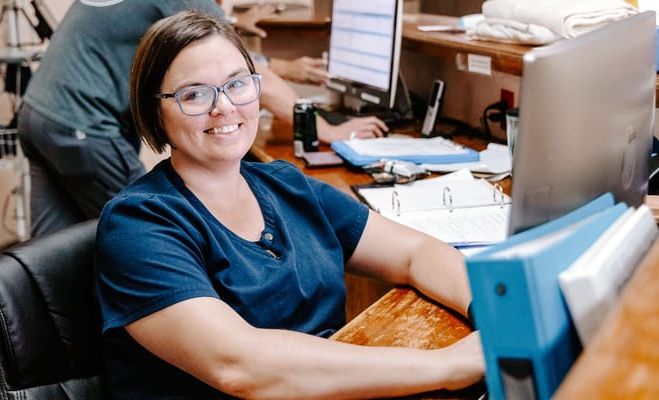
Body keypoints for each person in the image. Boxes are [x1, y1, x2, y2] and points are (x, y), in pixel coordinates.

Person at [94, 10, 484, 399]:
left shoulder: (284, 184)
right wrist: (447, 365)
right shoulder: (138, 224)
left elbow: (415, 252)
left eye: (237, 84)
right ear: (155, 112)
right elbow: (240, 367)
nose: (225, 107)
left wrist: (492, 313)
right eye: (194, 94)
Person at [18, 0, 385, 238]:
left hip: (38, 114)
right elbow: (234, 66)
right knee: (154, 230)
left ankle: (54, 358)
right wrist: (326, 130)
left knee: (50, 258)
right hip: (83, 125)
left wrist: (243, 28)